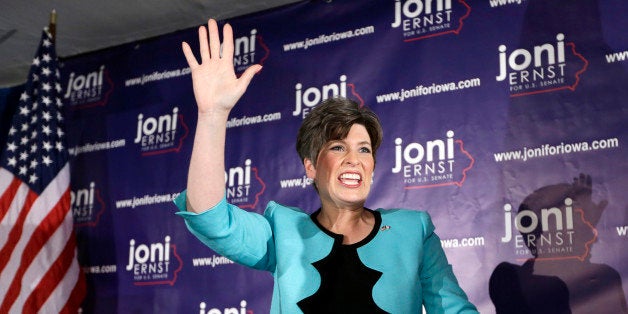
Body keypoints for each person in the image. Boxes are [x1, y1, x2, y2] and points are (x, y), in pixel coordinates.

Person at [174, 19, 478, 313]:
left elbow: (454, 310)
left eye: (364, 149)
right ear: (310, 167)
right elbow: (209, 218)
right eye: (337, 147)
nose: (353, 159)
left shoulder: (414, 230)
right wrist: (212, 115)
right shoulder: (284, 232)